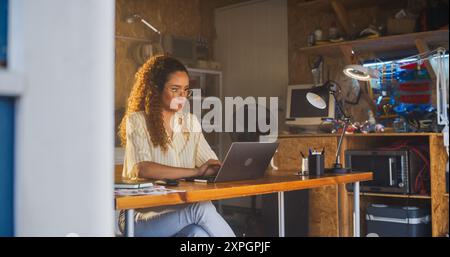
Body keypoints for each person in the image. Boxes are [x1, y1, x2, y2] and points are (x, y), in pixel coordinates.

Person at [118, 55, 235, 237]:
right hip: (139, 217)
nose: (182, 96)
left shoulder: (190, 122)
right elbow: (144, 169)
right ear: (155, 90)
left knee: (198, 234)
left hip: (179, 212)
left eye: (186, 90)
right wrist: (196, 172)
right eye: (175, 89)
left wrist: (215, 168)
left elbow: (211, 165)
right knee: (201, 208)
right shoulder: (137, 121)